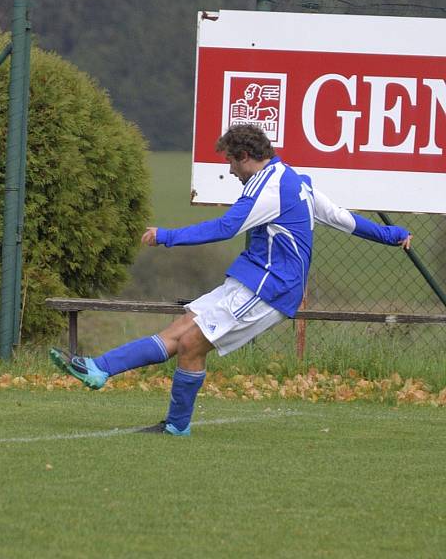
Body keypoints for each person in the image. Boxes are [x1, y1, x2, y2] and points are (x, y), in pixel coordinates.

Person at [50, 124, 412, 436]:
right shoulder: (294, 180)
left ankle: (176, 425)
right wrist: (392, 233)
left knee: (191, 343)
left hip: (269, 288)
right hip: (249, 280)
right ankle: (100, 369)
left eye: (230, 161)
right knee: (181, 329)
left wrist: (166, 236)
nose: (231, 170)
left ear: (243, 155)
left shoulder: (266, 189)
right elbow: (344, 219)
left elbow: (225, 227)